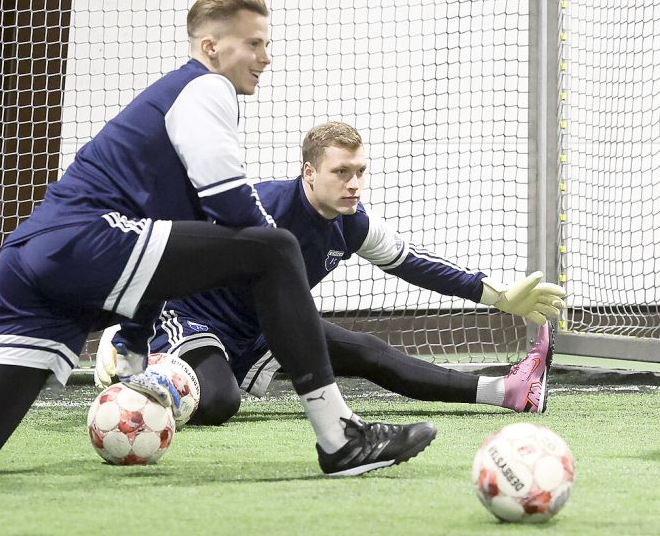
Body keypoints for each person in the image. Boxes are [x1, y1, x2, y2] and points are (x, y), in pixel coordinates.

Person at [0, 0, 436, 483]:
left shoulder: (200, 96)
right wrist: (272, 281)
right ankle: (338, 436)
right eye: (254, 43)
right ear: (210, 46)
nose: (265, 56)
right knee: (275, 246)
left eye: (266, 43)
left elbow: (189, 246)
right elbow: (234, 212)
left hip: (35, 262)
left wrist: (137, 334)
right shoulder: (205, 88)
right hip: (84, 240)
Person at [96, 121, 566, 426]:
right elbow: (161, 246)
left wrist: (499, 297)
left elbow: (417, 264)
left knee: (369, 350)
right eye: (342, 172)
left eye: (360, 171)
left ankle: (507, 390)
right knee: (220, 403)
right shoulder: (255, 208)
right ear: (309, 173)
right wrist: (123, 323)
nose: (355, 183)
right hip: (191, 321)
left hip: (261, 328)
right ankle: (142, 365)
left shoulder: (352, 224)